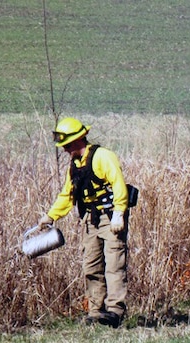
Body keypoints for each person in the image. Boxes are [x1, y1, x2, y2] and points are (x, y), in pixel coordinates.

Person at [37, 117, 129, 328]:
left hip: (110, 217)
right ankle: (96, 312)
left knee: (114, 265)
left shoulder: (103, 157)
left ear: (78, 140)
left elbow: (118, 184)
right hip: (89, 220)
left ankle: (115, 312)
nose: (65, 149)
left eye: (67, 145)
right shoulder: (75, 165)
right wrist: (51, 216)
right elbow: (67, 195)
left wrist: (119, 213)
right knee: (92, 266)